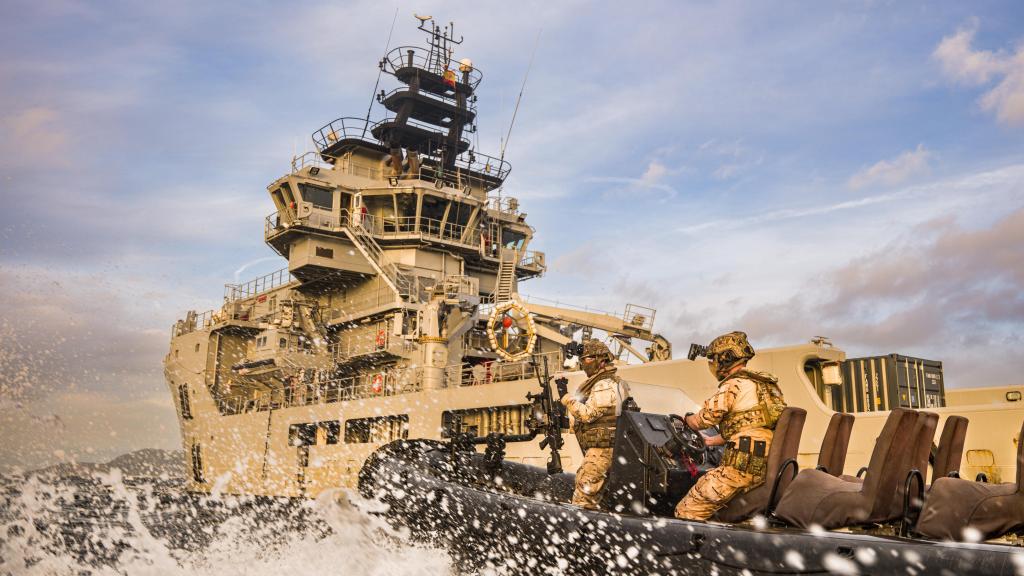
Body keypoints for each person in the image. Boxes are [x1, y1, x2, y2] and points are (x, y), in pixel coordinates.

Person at [675, 331, 786, 521]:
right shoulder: (764, 386)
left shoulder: (734, 384)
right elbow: (751, 424)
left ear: (725, 359)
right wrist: (712, 441)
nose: (713, 365)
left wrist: (686, 420)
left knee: (687, 510)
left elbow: (704, 419)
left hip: (740, 469)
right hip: (762, 466)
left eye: (714, 359)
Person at [560, 339, 630, 510]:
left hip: (602, 451)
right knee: (597, 497)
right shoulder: (609, 382)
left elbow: (588, 414)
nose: (583, 364)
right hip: (606, 449)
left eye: (586, 359)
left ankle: (581, 533)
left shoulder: (604, 384)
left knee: (583, 498)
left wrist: (566, 398)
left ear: (601, 360)